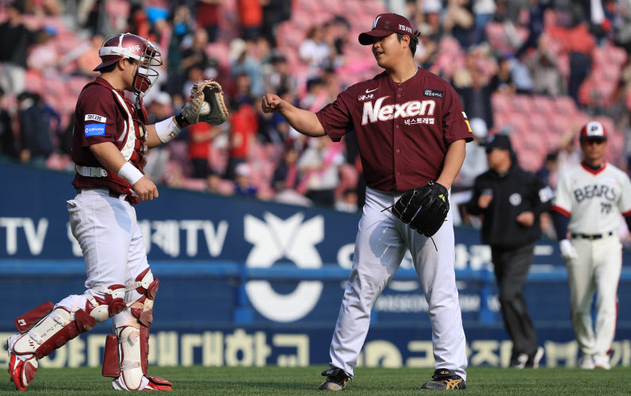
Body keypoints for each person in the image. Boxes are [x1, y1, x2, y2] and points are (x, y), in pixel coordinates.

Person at [262, 13, 471, 391]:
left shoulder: (440, 90)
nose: (374, 45)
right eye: (371, 39)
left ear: (405, 40)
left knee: (440, 288)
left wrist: (442, 186)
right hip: (380, 201)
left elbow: (458, 140)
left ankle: (451, 371)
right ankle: (340, 369)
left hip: (428, 195)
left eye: (381, 38)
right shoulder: (361, 94)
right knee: (360, 286)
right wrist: (285, 108)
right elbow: (319, 124)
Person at [5, 32, 210, 391]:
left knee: (140, 289)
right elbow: (99, 144)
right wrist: (136, 177)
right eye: (141, 61)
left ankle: (132, 376)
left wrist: (182, 120)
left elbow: (142, 137)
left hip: (117, 204)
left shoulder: (121, 100)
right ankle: (26, 345)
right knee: (108, 295)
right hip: (99, 201)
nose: (146, 70)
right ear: (124, 61)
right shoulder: (98, 93)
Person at [466, 134, 552, 369]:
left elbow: (547, 199)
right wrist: (477, 206)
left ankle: (524, 349)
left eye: (491, 150)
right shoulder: (483, 180)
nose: (487, 155)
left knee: (506, 295)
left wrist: (533, 214)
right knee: (510, 299)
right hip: (497, 246)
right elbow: (471, 207)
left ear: (504, 152)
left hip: (521, 245)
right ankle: (526, 350)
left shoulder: (525, 179)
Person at [551, 121, 631, 370]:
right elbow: (560, 212)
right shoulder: (570, 176)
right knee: (580, 303)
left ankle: (601, 355)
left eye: (598, 141)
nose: (594, 146)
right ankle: (587, 352)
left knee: (607, 299)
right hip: (579, 243)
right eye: (589, 141)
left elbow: (628, 213)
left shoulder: (618, 177)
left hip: (609, 242)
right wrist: (563, 240)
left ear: (605, 144)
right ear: (582, 144)